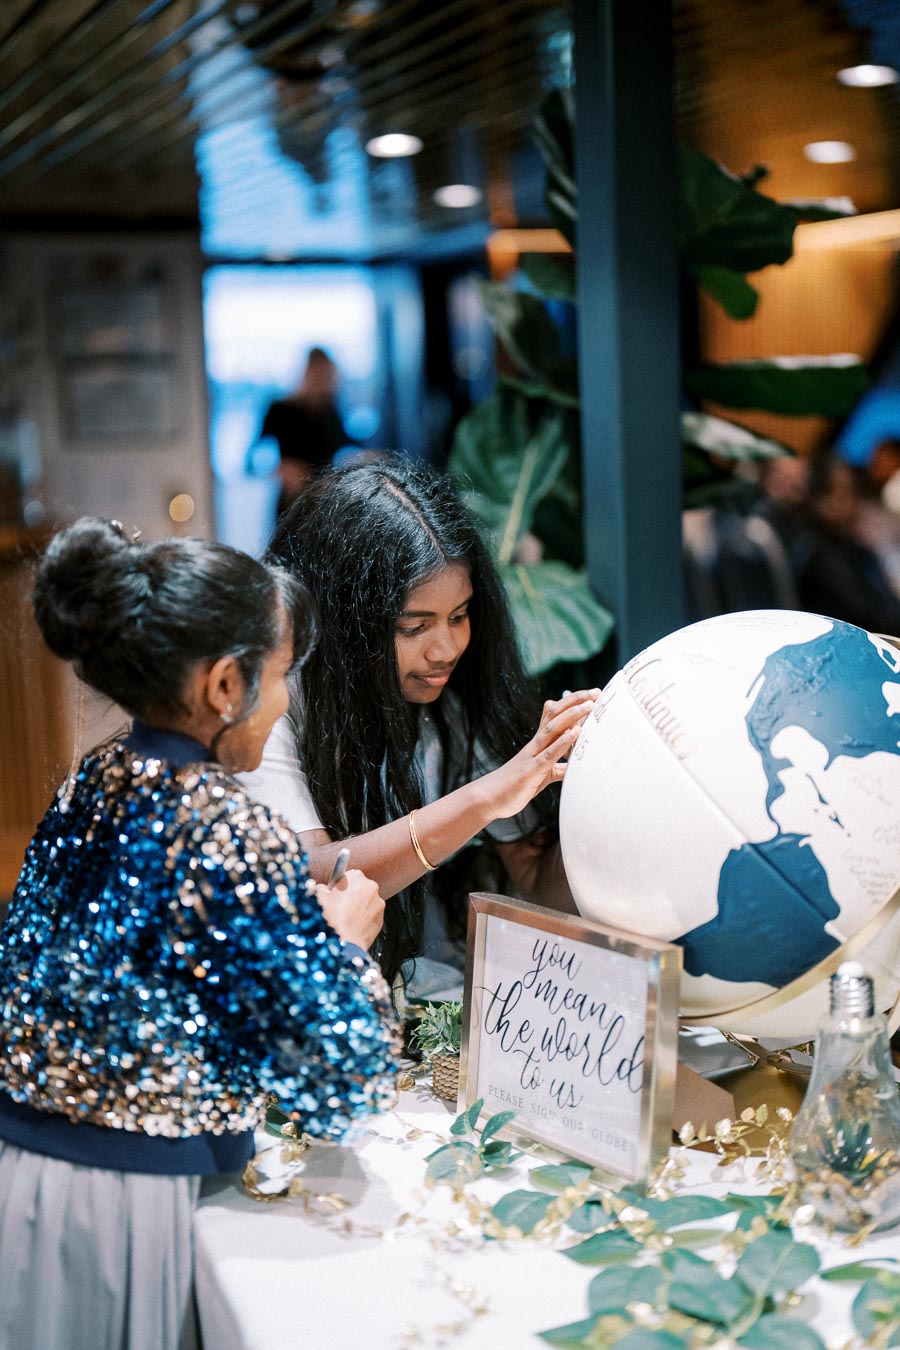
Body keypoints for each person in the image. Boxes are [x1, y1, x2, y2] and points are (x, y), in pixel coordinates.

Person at [0, 518, 399, 1350]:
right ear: (225, 685)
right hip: (127, 1201)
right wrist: (342, 947)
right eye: (283, 675)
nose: (286, 700)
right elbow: (335, 1086)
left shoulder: (91, 784)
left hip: (25, 1180)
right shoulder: (226, 828)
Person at [241, 460, 598, 998]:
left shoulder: (460, 698)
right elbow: (311, 879)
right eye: (414, 626)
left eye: (460, 615)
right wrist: (483, 799)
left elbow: (538, 883)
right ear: (344, 622)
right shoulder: (275, 699)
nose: (447, 648)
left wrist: (606, 779)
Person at [260, 347, 352, 516]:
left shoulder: (331, 411)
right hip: (292, 498)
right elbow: (253, 457)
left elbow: (347, 445)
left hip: (324, 497)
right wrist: (281, 469)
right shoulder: (281, 410)